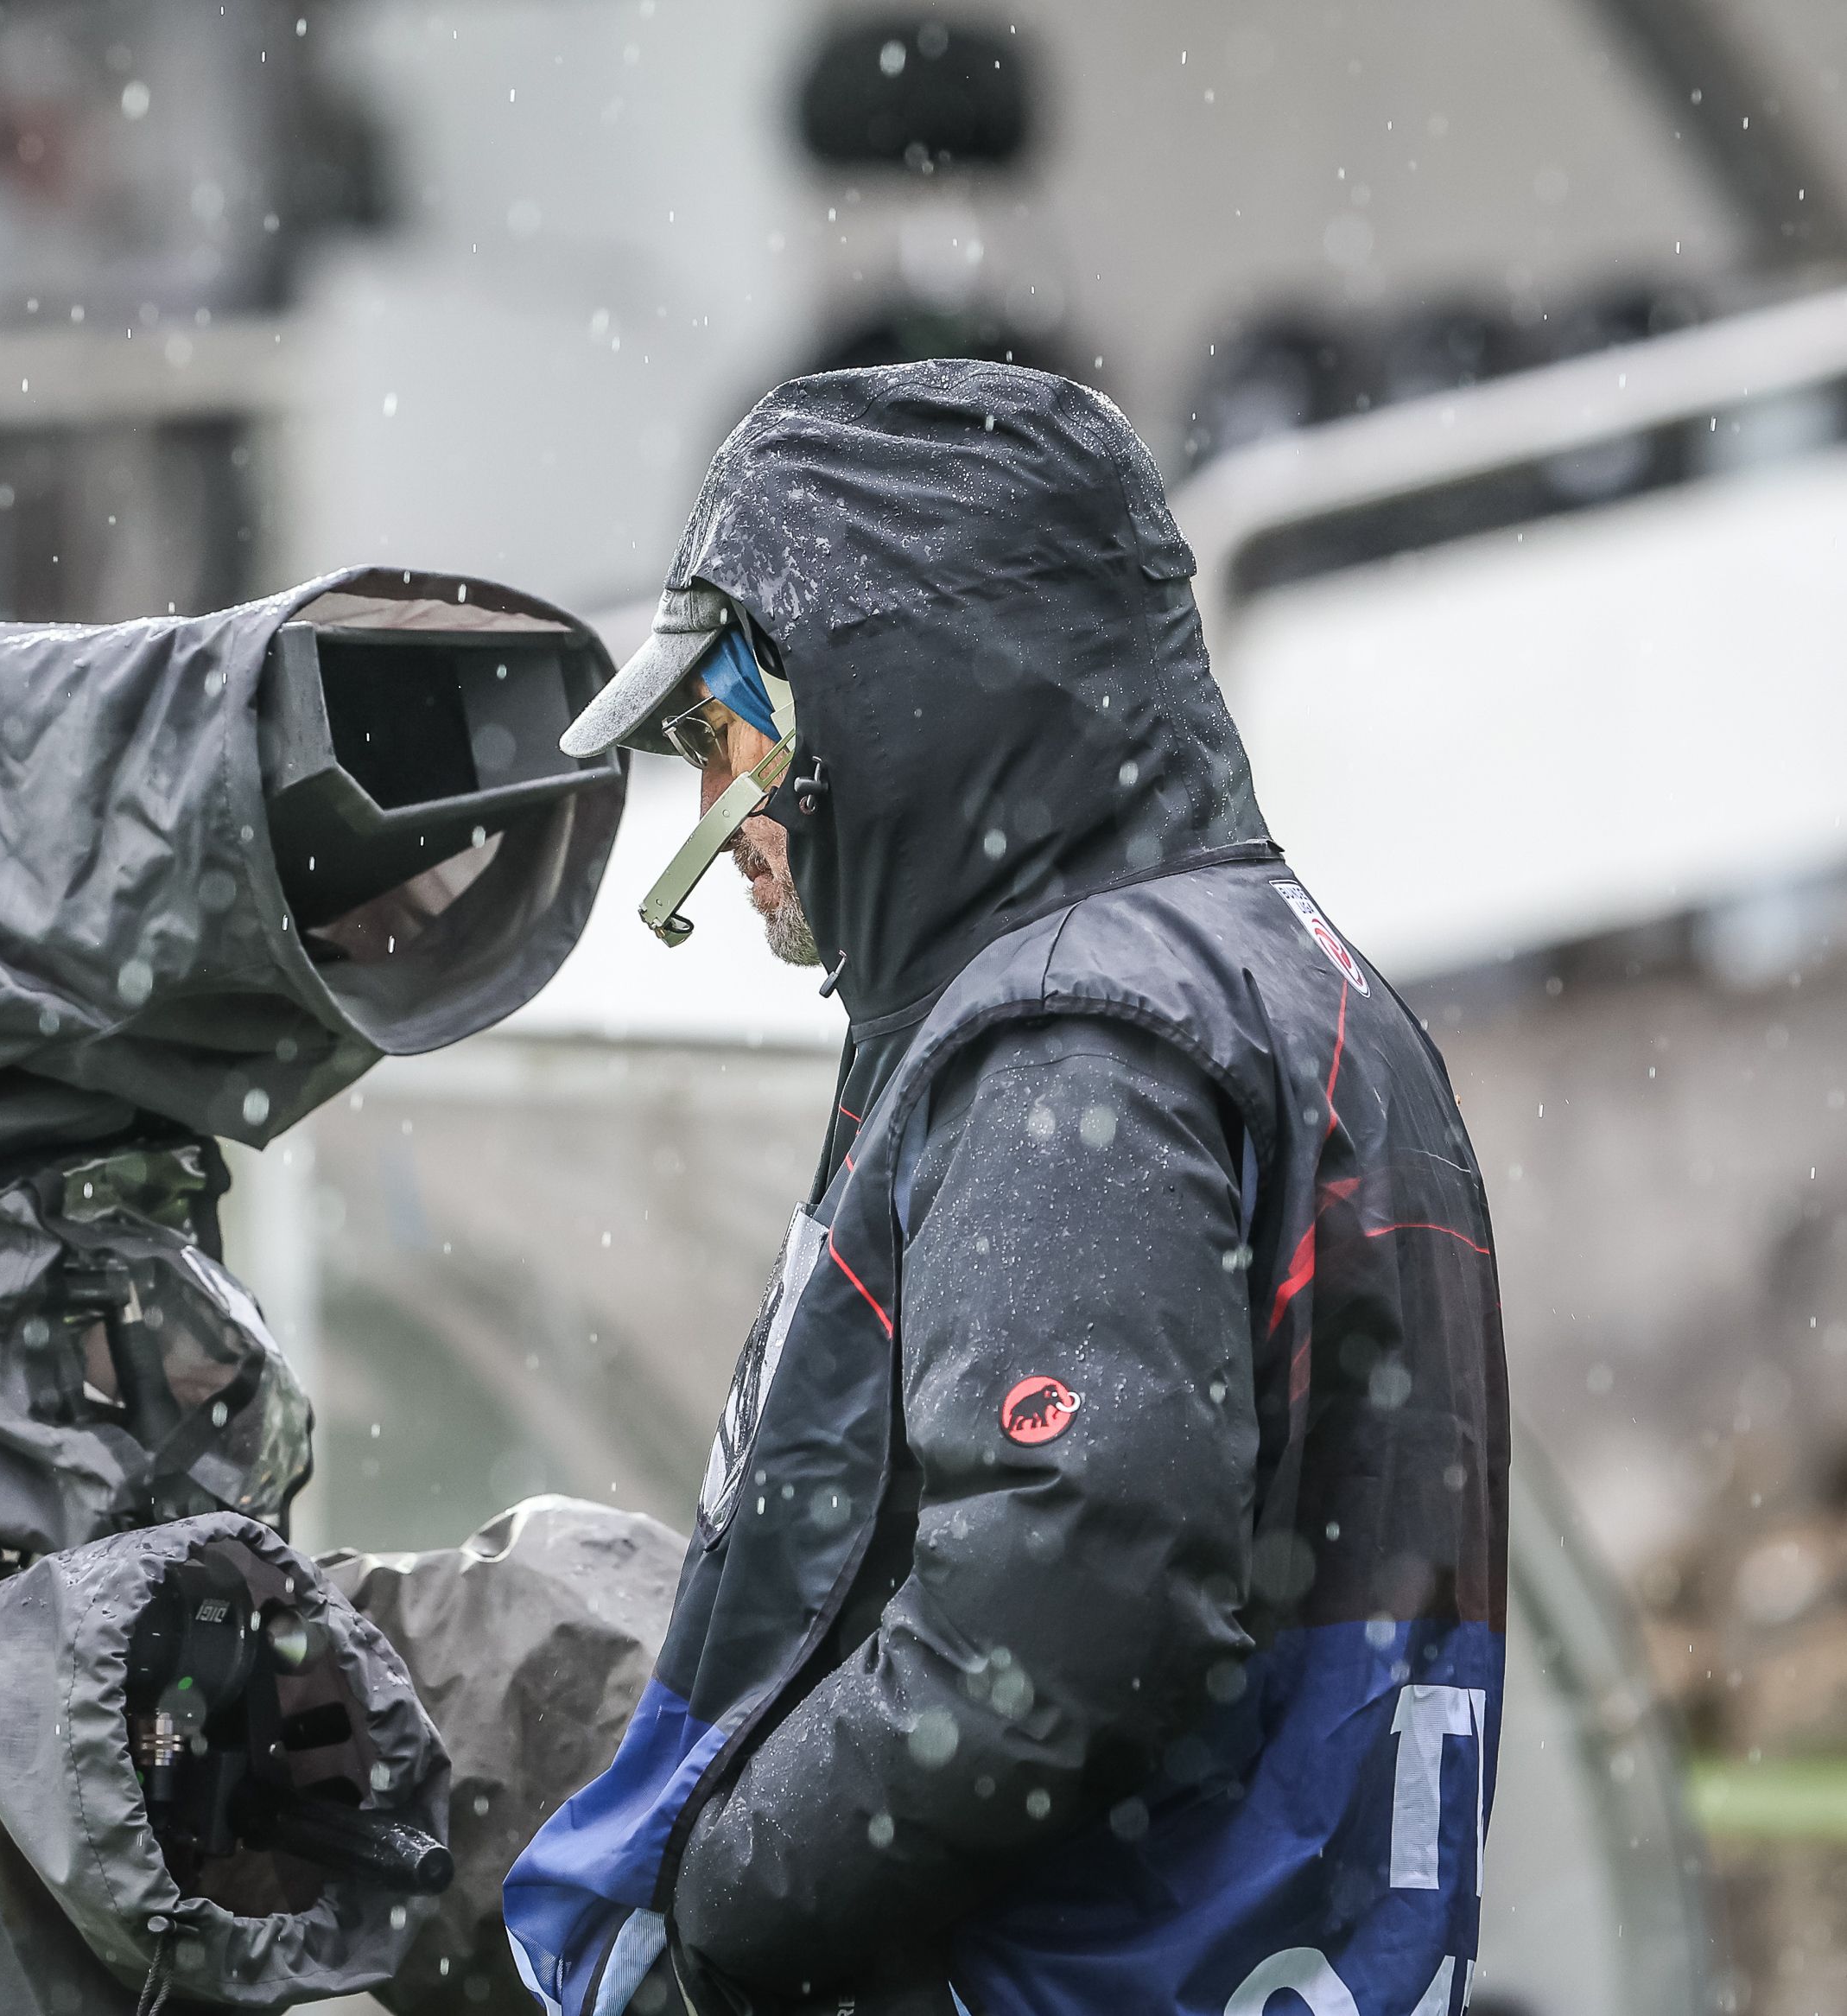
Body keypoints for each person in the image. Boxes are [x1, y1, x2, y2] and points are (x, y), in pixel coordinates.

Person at [499, 362, 1508, 2016]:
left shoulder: (1074, 1031)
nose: (713, 812)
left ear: (875, 697)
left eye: (720, 732)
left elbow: (1067, 1595)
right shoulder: (1286, 977)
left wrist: (720, 1915)